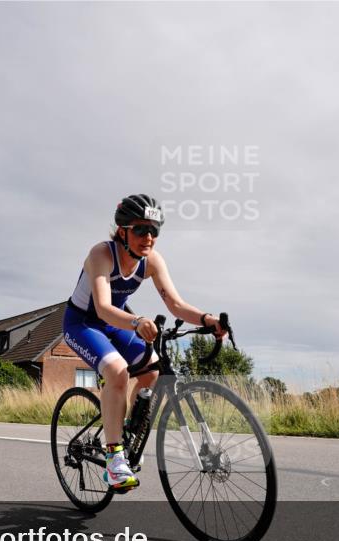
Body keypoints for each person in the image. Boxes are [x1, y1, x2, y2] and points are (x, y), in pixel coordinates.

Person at [63, 194, 226, 490]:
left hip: (118, 323)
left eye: (155, 231)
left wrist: (207, 319)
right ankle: (115, 460)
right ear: (122, 230)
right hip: (83, 323)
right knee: (117, 371)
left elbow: (175, 304)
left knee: (152, 371)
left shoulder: (151, 261)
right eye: (141, 229)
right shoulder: (101, 254)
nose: (148, 237)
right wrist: (137, 322)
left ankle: (124, 427)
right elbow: (101, 308)